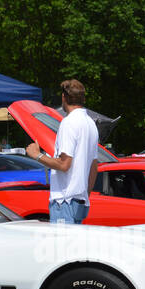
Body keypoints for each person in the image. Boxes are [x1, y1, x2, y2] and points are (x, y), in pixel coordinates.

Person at [27, 79, 99, 224]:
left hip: (64, 200)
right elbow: (94, 166)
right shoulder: (90, 123)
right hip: (79, 201)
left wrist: (37, 155)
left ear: (63, 98)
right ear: (83, 98)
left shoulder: (69, 122)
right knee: (73, 245)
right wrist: (86, 194)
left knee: (63, 246)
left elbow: (64, 164)